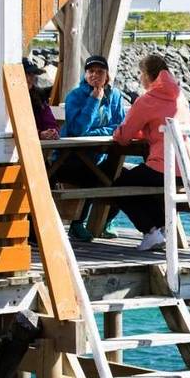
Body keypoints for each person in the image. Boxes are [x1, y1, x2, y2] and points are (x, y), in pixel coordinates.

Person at [110, 53, 190, 251]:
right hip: (187, 166)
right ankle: (161, 229)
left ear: (148, 75)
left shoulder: (147, 100)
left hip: (164, 166)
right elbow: (163, 123)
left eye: (141, 74)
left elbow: (123, 136)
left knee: (119, 185)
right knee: (142, 182)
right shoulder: (179, 96)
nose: (140, 78)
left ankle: (151, 230)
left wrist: (118, 131)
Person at [59, 54, 126, 241]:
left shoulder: (116, 95)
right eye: (91, 71)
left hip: (102, 157)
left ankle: (106, 221)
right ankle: (77, 223)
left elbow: (119, 127)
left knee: (124, 178)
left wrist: (95, 133)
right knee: (90, 177)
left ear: (107, 75)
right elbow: (77, 130)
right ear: (85, 74)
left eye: (100, 71)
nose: (95, 75)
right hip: (72, 158)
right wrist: (94, 100)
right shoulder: (75, 96)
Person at [0, 58, 59, 139]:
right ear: (16, 75)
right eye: (28, 74)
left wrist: (52, 132)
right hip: (7, 146)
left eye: (33, 74)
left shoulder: (39, 96)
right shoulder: (0, 98)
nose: (31, 78)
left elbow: (50, 122)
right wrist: (39, 135)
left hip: (37, 146)